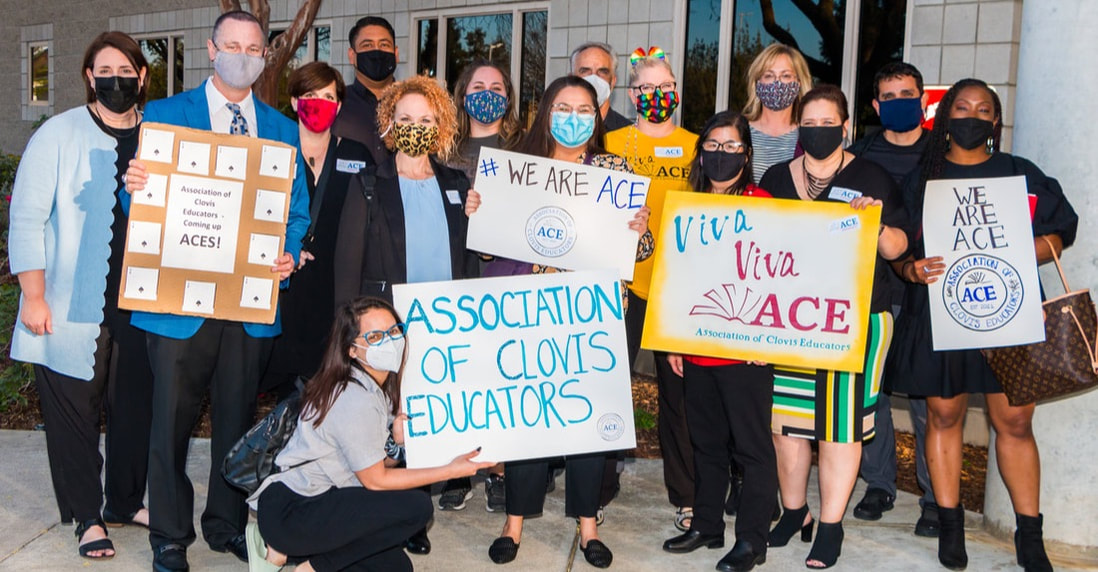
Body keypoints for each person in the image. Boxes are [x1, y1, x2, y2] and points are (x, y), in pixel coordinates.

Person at [121, 11, 310, 572]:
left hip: (247, 302)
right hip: (177, 303)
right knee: (170, 424)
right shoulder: (165, 115)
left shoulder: (281, 129)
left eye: (253, 48)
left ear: (265, 56)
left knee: (236, 422)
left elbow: (296, 213)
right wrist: (134, 187)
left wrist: (288, 252)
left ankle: (225, 524)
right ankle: (169, 536)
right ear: (211, 49)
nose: (242, 56)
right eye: (231, 45)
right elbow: (141, 205)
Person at [886, 78, 1078, 572]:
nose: (972, 116)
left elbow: (1059, 235)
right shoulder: (923, 178)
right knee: (944, 416)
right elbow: (900, 249)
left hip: (1009, 310)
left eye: (983, 109)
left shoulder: (1018, 173)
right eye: (962, 107)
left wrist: (1025, 249)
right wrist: (911, 270)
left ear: (995, 121)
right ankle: (950, 526)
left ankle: (1029, 535)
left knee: (1015, 422)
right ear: (945, 116)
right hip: (942, 311)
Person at [464, 75, 652, 569]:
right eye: (563, 108)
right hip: (532, 314)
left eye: (584, 109)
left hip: (594, 315)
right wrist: (478, 215)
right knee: (530, 417)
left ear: (597, 116)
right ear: (547, 113)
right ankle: (514, 522)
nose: (574, 118)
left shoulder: (614, 170)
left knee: (586, 424)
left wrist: (640, 228)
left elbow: (640, 251)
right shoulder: (518, 168)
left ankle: (588, 526)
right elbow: (488, 249)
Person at [8, 30, 153, 560]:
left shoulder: (160, 136)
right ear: (89, 77)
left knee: (135, 407)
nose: (116, 81)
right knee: (75, 413)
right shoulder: (58, 133)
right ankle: (88, 516)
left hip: (141, 301)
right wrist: (33, 295)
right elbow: (27, 217)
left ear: (142, 76)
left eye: (126, 72)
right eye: (104, 72)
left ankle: (125, 501)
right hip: (70, 301)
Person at [760, 84, 911, 569]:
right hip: (789, 319)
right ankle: (795, 512)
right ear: (798, 129)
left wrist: (877, 223)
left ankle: (830, 526)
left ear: (845, 127)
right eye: (810, 123)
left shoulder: (871, 176)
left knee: (839, 426)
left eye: (828, 123)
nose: (819, 131)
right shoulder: (775, 178)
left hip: (855, 319)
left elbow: (899, 247)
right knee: (786, 423)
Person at [246, 296, 494, 572]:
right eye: (375, 337)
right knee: (417, 507)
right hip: (295, 508)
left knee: (396, 568)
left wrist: (395, 443)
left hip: (326, 501)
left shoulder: (373, 388)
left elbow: (373, 465)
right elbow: (376, 481)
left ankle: (293, 553)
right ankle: (309, 565)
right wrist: (449, 470)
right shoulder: (354, 397)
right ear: (352, 350)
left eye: (394, 331)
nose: (389, 341)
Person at [659, 111, 776, 572]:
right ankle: (707, 525)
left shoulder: (763, 203)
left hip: (745, 353)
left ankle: (752, 540)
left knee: (751, 448)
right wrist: (672, 340)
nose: (720, 154)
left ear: (746, 155)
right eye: (712, 145)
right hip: (696, 348)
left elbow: (780, 276)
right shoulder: (687, 205)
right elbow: (675, 275)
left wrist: (767, 338)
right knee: (705, 443)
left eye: (731, 147)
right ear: (700, 152)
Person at [605, 45, 698, 532]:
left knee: (678, 399)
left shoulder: (696, 145)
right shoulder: (612, 141)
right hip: (622, 284)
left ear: (676, 91)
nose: (656, 94)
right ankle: (599, 489)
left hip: (676, 289)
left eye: (665, 86)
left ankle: (686, 496)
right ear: (632, 93)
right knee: (608, 386)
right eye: (646, 87)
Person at [847, 61, 938, 535]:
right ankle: (879, 483)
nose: (899, 102)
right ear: (876, 105)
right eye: (889, 96)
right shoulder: (858, 157)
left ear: (922, 100)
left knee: (927, 400)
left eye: (908, 94)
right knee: (873, 393)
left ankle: (934, 496)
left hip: (929, 294)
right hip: (874, 291)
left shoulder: (944, 153)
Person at [436, 59, 523, 513]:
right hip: (453, 273)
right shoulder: (442, 149)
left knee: (501, 374)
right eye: (477, 86)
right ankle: (459, 469)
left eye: (496, 87)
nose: (487, 94)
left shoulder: (524, 150)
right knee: (459, 374)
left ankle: (499, 468)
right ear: (462, 94)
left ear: (508, 97)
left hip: (505, 276)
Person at [262, 62, 372, 396]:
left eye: (328, 97)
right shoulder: (273, 152)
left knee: (327, 391)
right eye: (310, 95)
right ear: (295, 101)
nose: (319, 103)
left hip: (334, 291)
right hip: (281, 286)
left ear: (338, 106)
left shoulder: (357, 154)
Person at [331, 16, 398, 164]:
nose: (376, 52)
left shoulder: (415, 106)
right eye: (367, 45)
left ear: (396, 53)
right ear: (352, 56)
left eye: (384, 45)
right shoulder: (335, 104)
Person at [743, 43, 813, 183]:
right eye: (769, 75)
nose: (777, 83)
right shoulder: (739, 131)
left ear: (799, 82)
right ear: (757, 83)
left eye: (786, 75)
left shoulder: (809, 134)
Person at [571, 42, 631, 131]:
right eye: (585, 71)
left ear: (613, 81)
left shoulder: (630, 134)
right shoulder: (558, 131)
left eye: (603, 72)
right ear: (571, 79)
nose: (594, 78)